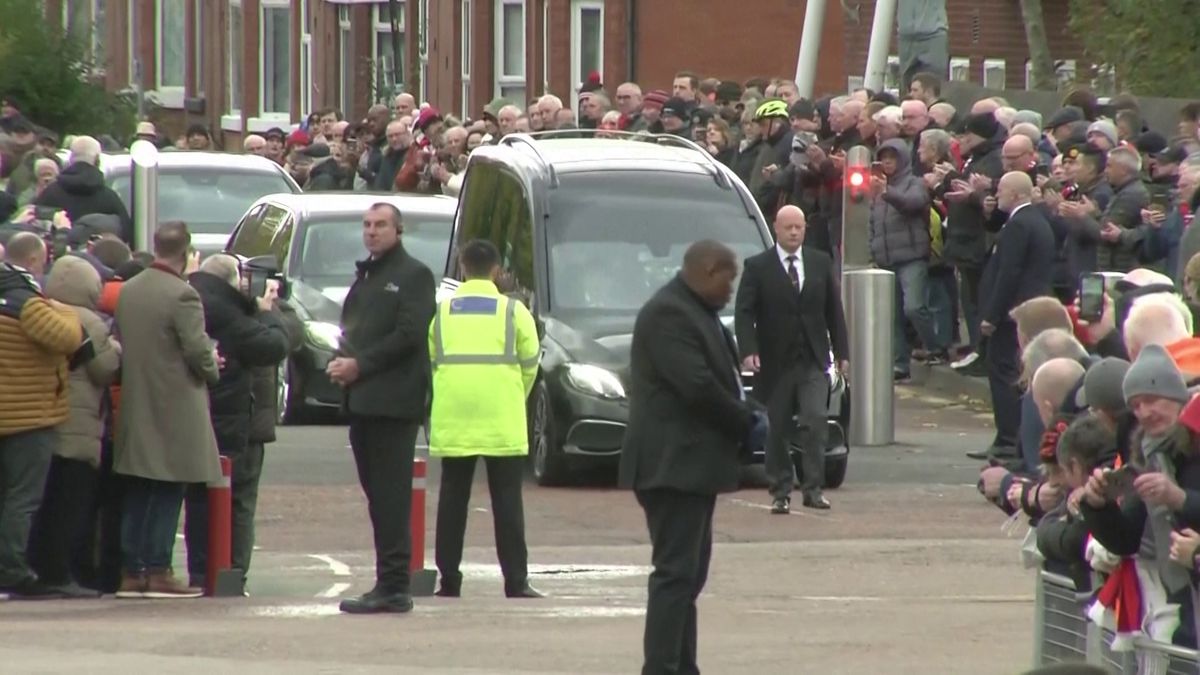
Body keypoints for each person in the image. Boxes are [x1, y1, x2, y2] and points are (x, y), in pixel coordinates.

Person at [619, 240, 766, 675]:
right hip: (671, 465)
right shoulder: (669, 314)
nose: (731, 288)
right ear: (705, 271)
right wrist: (745, 422)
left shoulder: (696, 311)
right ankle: (662, 667)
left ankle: (683, 665)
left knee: (689, 576)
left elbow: (717, 381)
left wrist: (752, 412)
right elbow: (697, 387)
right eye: (727, 278)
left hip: (691, 466)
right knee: (675, 575)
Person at [329, 203, 436, 614]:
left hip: (394, 404)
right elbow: (354, 330)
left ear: (399, 230)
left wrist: (361, 365)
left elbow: (410, 334)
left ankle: (394, 585)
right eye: (367, 225)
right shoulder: (368, 275)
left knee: (391, 497)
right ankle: (387, 581)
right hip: (363, 402)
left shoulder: (413, 275)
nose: (372, 232)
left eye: (381, 225)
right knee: (377, 497)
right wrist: (342, 363)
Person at [428, 240, 542, 599]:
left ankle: (449, 581)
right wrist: (512, 396)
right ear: (497, 271)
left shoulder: (442, 312)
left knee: (452, 501)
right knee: (507, 502)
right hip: (501, 417)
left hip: (454, 414)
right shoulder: (513, 312)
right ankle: (516, 581)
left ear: (462, 267)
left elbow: (432, 361)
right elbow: (530, 363)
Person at [113, 221, 221, 599]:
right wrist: (212, 366)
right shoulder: (183, 295)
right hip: (175, 401)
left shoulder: (129, 291)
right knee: (168, 486)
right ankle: (158, 569)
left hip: (137, 396)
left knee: (139, 486)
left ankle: (131, 570)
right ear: (187, 252)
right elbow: (195, 349)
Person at [183, 254, 290, 591]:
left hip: (205, 415)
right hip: (233, 419)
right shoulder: (226, 310)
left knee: (200, 499)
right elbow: (274, 345)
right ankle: (228, 573)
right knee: (235, 500)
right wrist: (265, 311)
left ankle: (203, 571)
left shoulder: (193, 297)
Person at [734, 205, 849, 513]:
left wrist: (842, 353)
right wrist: (748, 350)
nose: (795, 232)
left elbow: (833, 311)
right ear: (777, 229)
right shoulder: (758, 267)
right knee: (778, 428)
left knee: (815, 420)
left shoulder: (819, 262)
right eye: (789, 228)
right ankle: (781, 490)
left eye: (799, 227)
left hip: (812, 358)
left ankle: (813, 488)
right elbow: (744, 312)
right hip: (775, 360)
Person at [28, 255, 121, 597]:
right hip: (78, 425)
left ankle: (34, 569)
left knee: (39, 503)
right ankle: (59, 573)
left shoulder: (38, 312)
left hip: (39, 420)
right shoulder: (90, 322)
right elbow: (104, 370)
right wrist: (115, 348)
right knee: (70, 508)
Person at [0, 234, 85, 598]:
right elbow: (67, 337)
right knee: (21, 498)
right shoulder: (27, 301)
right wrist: (63, 307)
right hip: (27, 415)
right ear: (35, 260)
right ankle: (12, 570)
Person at [978, 172, 1056, 453]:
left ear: (1016, 194)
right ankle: (1014, 439)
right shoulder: (1037, 221)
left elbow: (1008, 273)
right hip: (1029, 309)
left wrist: (992, 314)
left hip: (1014, 314)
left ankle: (1008, 438)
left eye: (1001, 190)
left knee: (1003, 371)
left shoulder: (1019, 225)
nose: (996, 195)